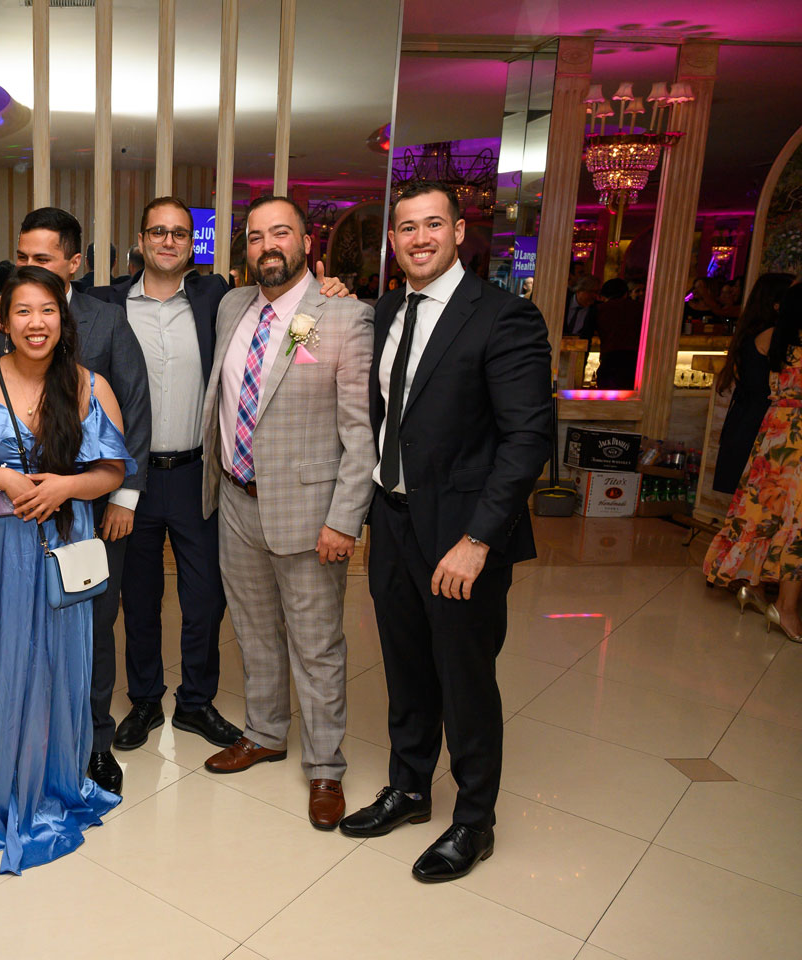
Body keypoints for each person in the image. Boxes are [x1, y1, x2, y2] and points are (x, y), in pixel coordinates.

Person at [337, 180, 551, 884]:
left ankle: (474, 821)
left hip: (463, 534)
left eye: (434, 225)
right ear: (392, 240)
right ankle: (409, 788)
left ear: (460, 233)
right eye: (406, 227)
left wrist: (480, 539)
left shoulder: (504, 317)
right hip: (393, 520)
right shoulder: (389, 309)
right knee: (404, 666)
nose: (419, 238)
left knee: (465, 680)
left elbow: (527, 438)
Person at [0, 265, 135, 873]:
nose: (35, 323)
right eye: (22, 312)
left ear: (62, 320)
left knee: (50, 661)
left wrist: (66, 486)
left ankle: (42, 782)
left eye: (47, 311)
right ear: (3, 320)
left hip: (59, 541)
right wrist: (3, 477)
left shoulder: (89, 385)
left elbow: (114, 470)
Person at [199, 195, 375, 832]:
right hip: (236, 501)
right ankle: (266, 732)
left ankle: (325, 765)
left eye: (281, 233)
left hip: (308, 511)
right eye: (255, 236)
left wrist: (344, 519)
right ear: (244, 248)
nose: (267, 245)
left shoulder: (345, 317)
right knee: (252, 629)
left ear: (306, 240)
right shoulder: (230, 307)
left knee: (317, 644)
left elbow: (360, 432)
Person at [0, 207, 151, 794]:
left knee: (91, 626)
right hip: (12, 516)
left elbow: (135, 407)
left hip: (89, 511)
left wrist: (124, 497)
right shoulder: (0, 317)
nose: (29, 268)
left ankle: (95, 741)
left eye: (42, 259)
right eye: (22, 257)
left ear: (73, 263)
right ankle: (30, 737)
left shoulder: (106, 318)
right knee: (23, 630)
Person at [83, 197, 242, 752]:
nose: (168, 241)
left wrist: (334, 291)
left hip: (198, 473)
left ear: (192, 242)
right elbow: (44, 299)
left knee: (205, 596)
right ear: (142, 239)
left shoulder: (216, 298)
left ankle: (196, 702)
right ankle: (146, 699)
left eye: (179, 233)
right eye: (158, 232)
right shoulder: (104, 303)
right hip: (132, 480)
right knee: (139, 595)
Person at [705, 282, 802, 642]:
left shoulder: (770, 338)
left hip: (774, 431)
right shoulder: (789, 340)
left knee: (766, 510)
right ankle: (787, 608)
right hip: (795, 436)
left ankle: (754, 585)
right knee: (794, 519)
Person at [712, 273, 794, 495]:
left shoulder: (752, 331)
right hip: (760, 420)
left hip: (746, 415)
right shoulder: (773, 334)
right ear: (778, 304)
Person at [591, 278, 644, 389]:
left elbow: (587, 335)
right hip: (634, 363)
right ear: (625, 293)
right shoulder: (640, 308)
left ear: (604, 295)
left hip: (609, 361)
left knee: (607, 400)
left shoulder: (600, 309)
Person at [562, 274, 600, 338]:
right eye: (590, 291)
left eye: (596, 292)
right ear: (579, 290)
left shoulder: (596, 309)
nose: (594, 296)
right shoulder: (563, 301)